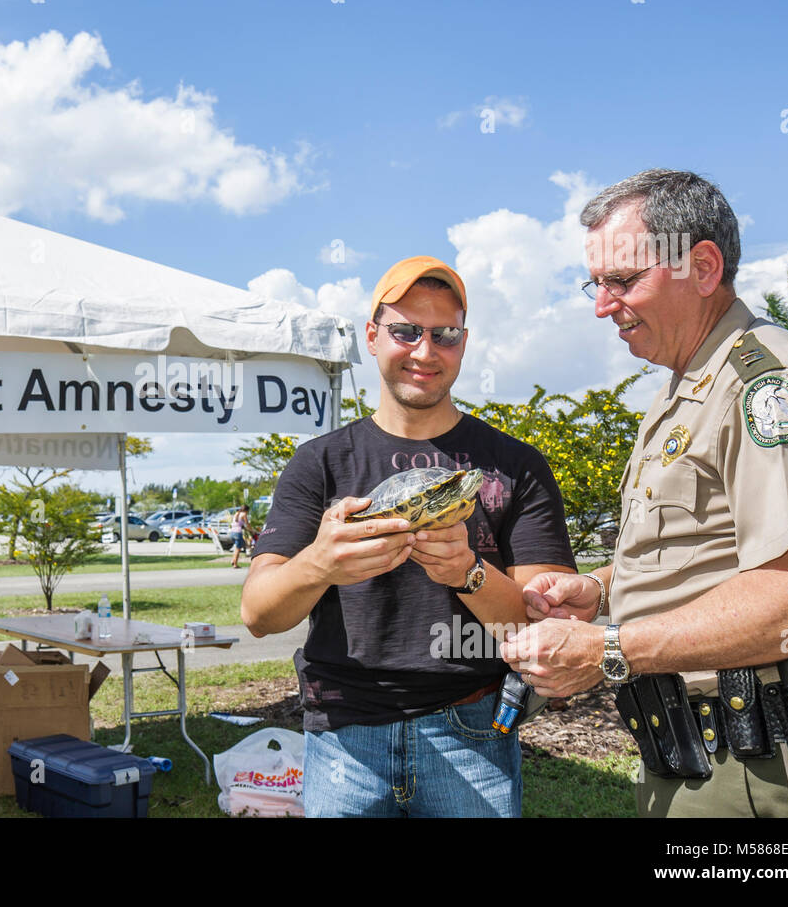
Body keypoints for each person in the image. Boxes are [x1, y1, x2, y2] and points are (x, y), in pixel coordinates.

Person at [502, 168, 788, 818]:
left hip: (768, 769)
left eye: (623, 281)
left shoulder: (770, 384)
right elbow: (708, 550)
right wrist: (604, 589)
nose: (602, 306)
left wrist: (608, 650)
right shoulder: (682, 390)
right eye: (594, 285)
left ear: (704, 267)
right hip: (690, 756)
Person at [241, 256, 577, 817]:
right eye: (405, 331)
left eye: (444, 334)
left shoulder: (514, 467)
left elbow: (550, 624)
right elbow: (258, 614)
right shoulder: (319, 463)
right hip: (344, 732)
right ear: (373, 337)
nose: (425, 351)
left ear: (463, 344)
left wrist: (466, 571)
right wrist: (319, 564)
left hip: (472, 726)